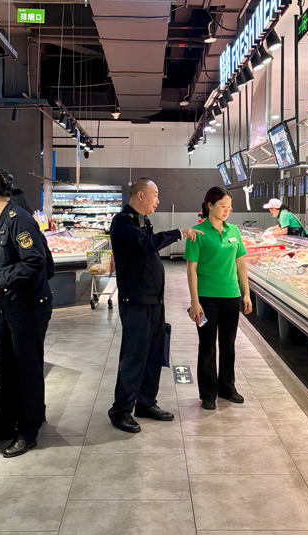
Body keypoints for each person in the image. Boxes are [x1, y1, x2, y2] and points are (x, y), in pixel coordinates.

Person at [108, 178, 202, 433]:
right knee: (134, 355)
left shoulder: (143, 220)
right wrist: (178, 233)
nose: (158, 201)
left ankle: (146, 402)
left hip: (153, 299)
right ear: (140, 195)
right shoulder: (123, 222)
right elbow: (146, 244)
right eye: (155, 195)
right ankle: (121, 410)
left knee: (154, 353)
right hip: (136, 300)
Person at [0, 169, 52, 458]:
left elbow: (35, 263)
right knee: (7, 367)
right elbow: (8, 263)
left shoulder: (20, 220)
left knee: (27, 369)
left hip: (28, 308)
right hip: (7, 305)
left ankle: (28, 431)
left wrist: (0, 283)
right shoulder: (1, 221)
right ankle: (6, 422)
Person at [185, 187, 253, 410]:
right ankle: (208, 393)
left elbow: (240, 264)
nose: (227, 210)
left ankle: (227, 387)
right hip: (207, 298)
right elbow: (191, 269)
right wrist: (195, 302)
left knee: (228, 344)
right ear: (210, 205)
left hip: (231, 296)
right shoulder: (197, 232)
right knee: (207, 346)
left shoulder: (233, 231)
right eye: (223, 206)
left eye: (229, 207)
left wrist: (246, 293)